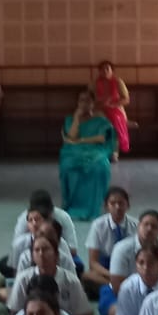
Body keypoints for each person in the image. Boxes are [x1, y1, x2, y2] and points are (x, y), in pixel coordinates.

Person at [58, 91, 113, 220]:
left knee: (100, 166)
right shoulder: (70, 119)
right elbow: (71, 137)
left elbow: (101, 138)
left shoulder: (100, 121)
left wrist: (82, 140)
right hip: (73, 150)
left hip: (95, 149)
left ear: (93, 103)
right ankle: (73, 204)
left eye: (88, 101)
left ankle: (95, 206)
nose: (84, 104)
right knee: (68, 165)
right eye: (81, 100)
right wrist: (77, 119)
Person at [93, 60, 132, 162]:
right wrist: (99, 103)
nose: (105, 71)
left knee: (114, 122)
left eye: (107, 68)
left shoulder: (118, 82)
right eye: (102, 69)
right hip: (99, 109)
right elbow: (89, 98)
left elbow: (126, 99)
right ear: (99, 71)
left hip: (116, 109)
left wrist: (112, 104)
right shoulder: (94, 83)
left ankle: (114, 152)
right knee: (97, 121)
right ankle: (99, 152)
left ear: (112, 71)